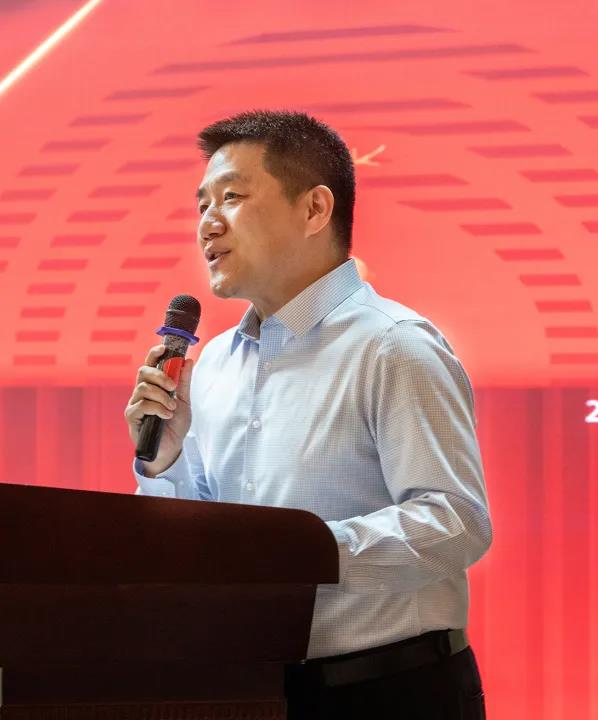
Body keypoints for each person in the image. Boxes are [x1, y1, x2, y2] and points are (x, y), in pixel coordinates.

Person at [124, 110, 492, 719]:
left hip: (389, 691)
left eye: (232, 197)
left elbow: (456, 521)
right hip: (251, 690)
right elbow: (208, 538)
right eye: (202, 205)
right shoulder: (214, 363)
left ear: (315, 209)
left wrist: (303, 554)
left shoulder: (394, 346)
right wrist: (167, 463)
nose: (208, 223)